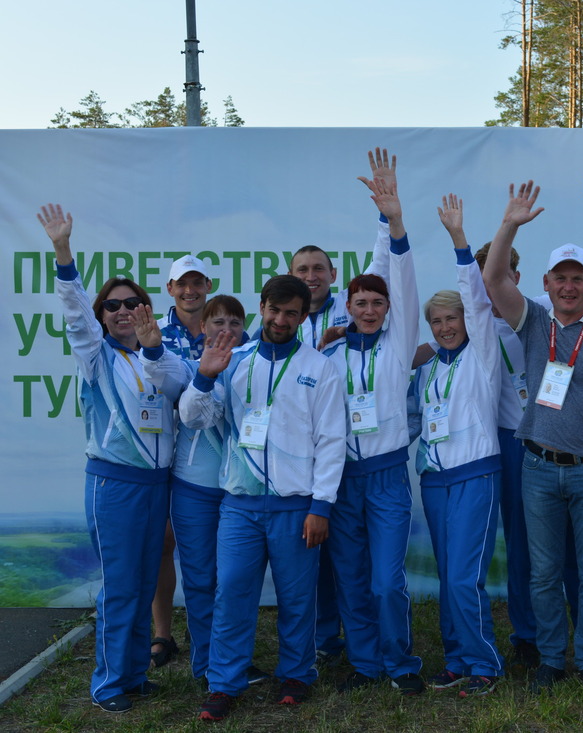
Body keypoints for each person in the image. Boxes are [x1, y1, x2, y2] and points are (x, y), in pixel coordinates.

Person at [483, 181, 583, 695]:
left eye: (578, 279)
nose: (569, 287)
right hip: (536, 466)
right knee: (545, 573)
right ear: (547, 284)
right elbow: (492, 278)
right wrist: (510, 224)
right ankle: (552, 659)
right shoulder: (532, 321)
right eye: (561, 279)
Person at [180, 275, 345, 722]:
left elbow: (332, 440)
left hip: (297, 506)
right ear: (262, 307)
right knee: (232, 591)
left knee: (297, 597)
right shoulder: (235, 359)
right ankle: (223, 682)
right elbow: (195, 418)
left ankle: (296, 673)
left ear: (303, 316)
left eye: (292, 313)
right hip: (240, 505)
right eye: (274, 310)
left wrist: (320, 506)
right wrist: (204, 374)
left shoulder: (319, 366)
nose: (281, 320)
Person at [38, 203, 173, 713]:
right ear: (101, 317)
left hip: (156, 485)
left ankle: (134, 674)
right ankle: (109, 684)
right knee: (120, 586)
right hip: (114, 485)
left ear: (145, 310)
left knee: (142, 583)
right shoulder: (95, 357)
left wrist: (157, 352)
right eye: (112, 306)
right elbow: (73, 309)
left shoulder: (157, 356)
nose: (121, 311)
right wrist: (62, 250)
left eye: (132, 303)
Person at [321, 157, 425, 696]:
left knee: (387, 581)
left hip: (385, 477)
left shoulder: (398, 346)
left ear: (388, 309)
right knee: (353, 580)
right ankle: (364, 665)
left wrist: (393, 221)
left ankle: (399, 662)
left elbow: (399, 278)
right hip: (342, 481)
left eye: (377, 302)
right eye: (360, 302)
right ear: (347, 305)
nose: (369, 309)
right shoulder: (329, 359)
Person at [136, 295, 261, 685]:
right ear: (203, 329)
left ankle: (234, 660)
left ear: (245, 329)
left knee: (235, 581)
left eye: (235, 323)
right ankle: (208, 666)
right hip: (194, 492)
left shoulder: (255, 370)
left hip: (238, 493)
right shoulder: (189, 366)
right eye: (218, 322)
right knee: (202, 580)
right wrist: (153, 346)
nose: (227, 330)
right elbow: (161, 369)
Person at [412, 193, 506, 697]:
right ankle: (456, 658)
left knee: (463, 578)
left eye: (452, 319)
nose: (447, 327)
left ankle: (485, 664)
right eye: (437, 323)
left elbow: (476, 296)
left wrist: (458, 240)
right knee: (448, 575)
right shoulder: (428, 369)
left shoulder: (483, 356)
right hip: (436, 481)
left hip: (475, 475)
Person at [150, 253, 213, 671]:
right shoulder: (153, 333)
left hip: (209, 457)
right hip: (161, 453)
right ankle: (162, 634)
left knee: (203, 549)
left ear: (207, 286)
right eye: (182, 284)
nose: (190, 291)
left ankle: (204, 632)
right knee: (163, 542)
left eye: (197, 282)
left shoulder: (223, 328)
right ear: (170, 289)